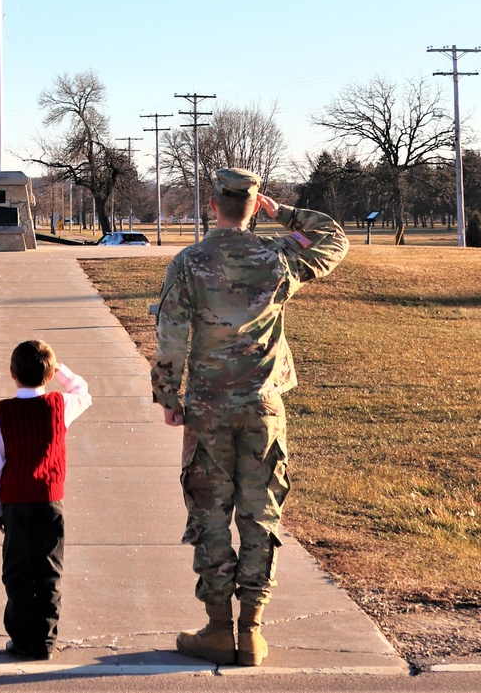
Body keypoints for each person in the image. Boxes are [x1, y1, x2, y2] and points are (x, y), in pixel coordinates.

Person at [152, 168, 348, 668]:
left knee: (210, 512)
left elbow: (172, 337)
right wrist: (282, 213)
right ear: (254, 203)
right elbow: (332, 239)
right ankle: (252, 630)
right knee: (261, 513)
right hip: (264, 406)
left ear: (213, 202)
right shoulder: (278, 256)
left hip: (209, 409)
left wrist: (168, 397)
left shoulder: (190, 262)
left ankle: (218, 628)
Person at [0, 338, 92, 661]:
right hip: (49, 502)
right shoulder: (59, 406)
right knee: (49, 570)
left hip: (15, 503)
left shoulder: (3, 412)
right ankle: (45, 640)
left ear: (12, 374)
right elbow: (83, 391)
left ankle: (21, 638)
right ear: (48, 375)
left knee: (16, 571)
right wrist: (61, 370)